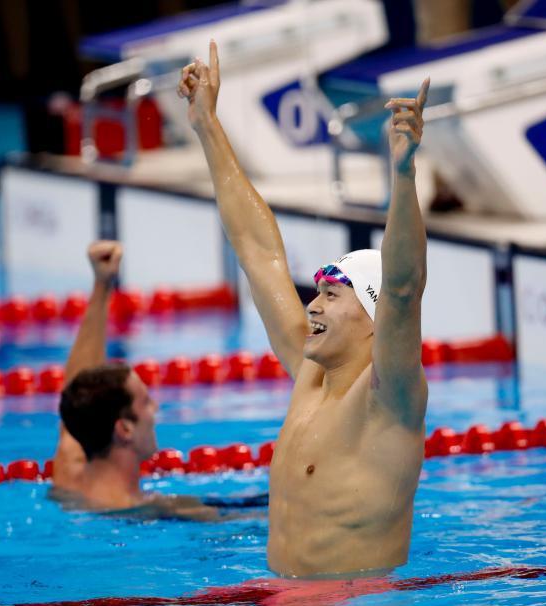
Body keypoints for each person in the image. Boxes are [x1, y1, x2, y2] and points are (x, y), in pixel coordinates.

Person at [178, 42, 430, 578]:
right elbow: (257, 251)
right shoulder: (309, 376)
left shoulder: (389, 399)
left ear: (374, 321)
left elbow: (404, 289)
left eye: (332, 295)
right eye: (318, 292)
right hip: (284, 598)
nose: (312, 305)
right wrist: (207, 125)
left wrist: (404, 174)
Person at [51, 240, 220, 520]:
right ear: (125, 429)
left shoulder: (70, 480)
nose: (155, 408)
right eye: (145, 402)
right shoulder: (161, 512)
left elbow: (78, 390)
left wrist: (102, 284)